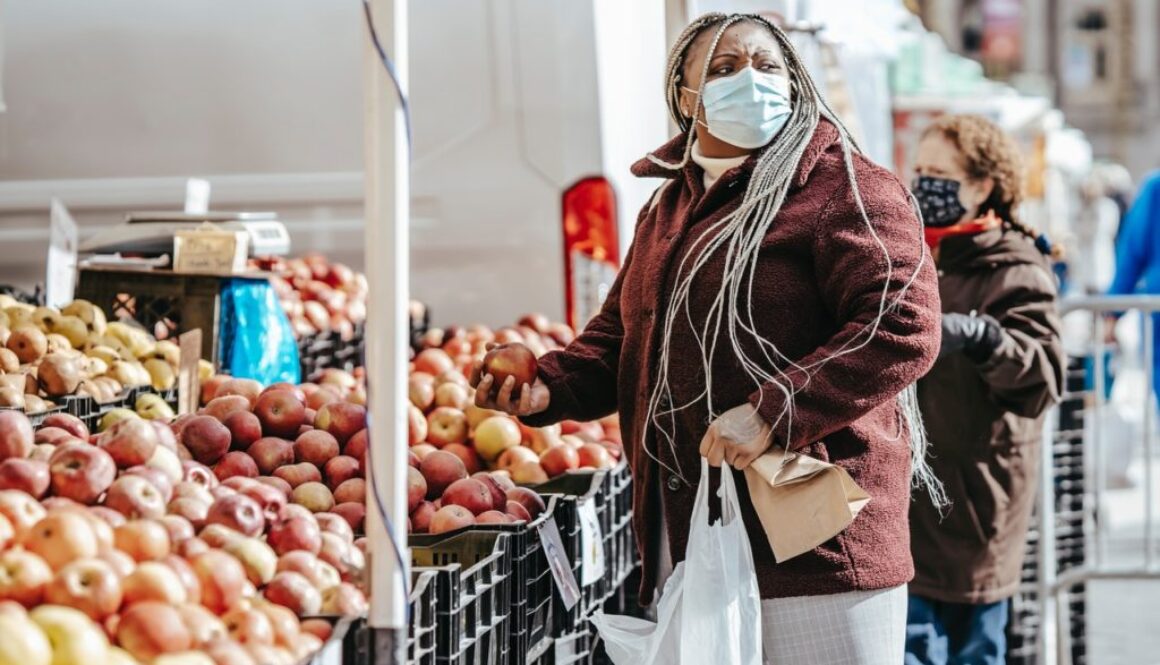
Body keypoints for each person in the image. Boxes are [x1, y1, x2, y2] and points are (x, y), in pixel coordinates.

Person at [472, 12, 942, 664]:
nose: (749, 81)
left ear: (795, 80)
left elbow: (902, 322)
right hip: (690, 533)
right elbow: (620, 340)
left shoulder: (845, 186)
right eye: (723, 70)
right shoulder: (669, 207)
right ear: (686, 100)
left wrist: (773, 413)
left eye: (766, 65)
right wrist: (545, 384)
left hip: (813, 549)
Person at [907, 114, 1064, 665]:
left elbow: (1042, 379)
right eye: (919, 169)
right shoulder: (907, 254)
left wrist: (983, 338)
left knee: (975, 650)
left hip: (977, 502)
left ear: (980, 186)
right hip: (909, 502)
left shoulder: (1015, 268)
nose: (923, 183)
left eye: (940, 173)